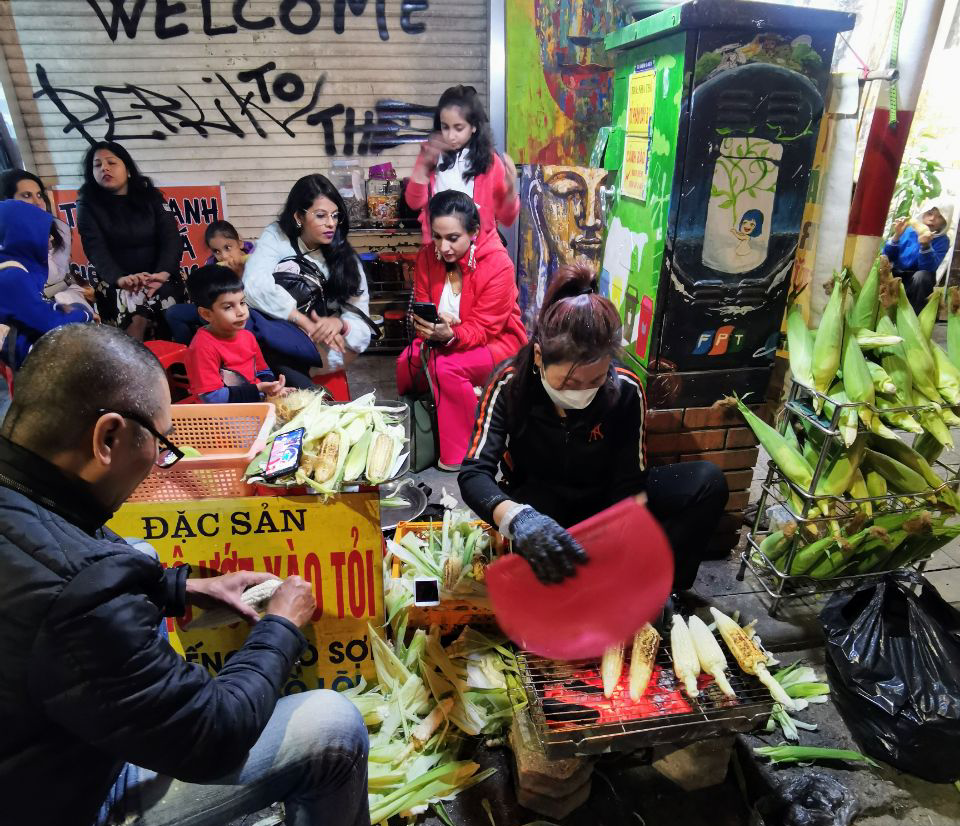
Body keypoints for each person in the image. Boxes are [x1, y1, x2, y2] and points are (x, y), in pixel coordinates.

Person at [0, 324, 423, 826]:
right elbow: (214, 736)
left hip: (31, 778)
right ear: (108, 438)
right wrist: (281, 626)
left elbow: (63, 578)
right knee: (330, 725)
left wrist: (183, 585)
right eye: (162, 443)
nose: (161, 462)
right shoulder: (79, 598)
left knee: (145, 559)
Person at [458, 261, 729, 591]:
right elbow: (474, 473)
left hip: (604, 500)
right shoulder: (510, 384)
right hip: (541, 503)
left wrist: (621, 542)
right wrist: (517, 518)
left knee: (707, 482)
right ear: (541, 357)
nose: (583, 392)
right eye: (570, 381)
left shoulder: (625, 389)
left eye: (596, 379)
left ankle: (662, 589)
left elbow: (630, 484)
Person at [397, 190, 527, 470]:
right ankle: (430, 422)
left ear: (474, 232)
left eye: (453, 238)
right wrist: (427, 325)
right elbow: (422, 305)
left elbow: (484, 328)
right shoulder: (426, 258)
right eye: (437, 236)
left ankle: (465, 452)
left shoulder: (497, 264)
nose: (443, 247)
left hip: (497, 343)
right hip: (443, 338)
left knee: (445, 368)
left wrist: (452, 334)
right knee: (405, 364)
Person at [244, 174, 373, 377]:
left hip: (325, 351)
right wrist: (302, 321)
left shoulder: (346, 259)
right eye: (321, 215)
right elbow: (254, 284)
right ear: (299, 217)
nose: (331, 223)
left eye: (335, 215)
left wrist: (340, 324)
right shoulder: (277, 236)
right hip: (279, 341)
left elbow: (362, 324)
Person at [76, 141, 184, 341]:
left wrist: (162, 273)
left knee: (172, 308)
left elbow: (171, 238)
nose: (104, 168)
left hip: (160, 274)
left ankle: (176, 365)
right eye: (97, 165)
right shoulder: (88, 203)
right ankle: (134, 368)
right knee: (134, 309)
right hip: (117, 280)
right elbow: (95, 249)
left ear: (127, 169)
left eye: (111, 162)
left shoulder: (151, 196)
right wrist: (120, 279)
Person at [405, 85, 519, 247]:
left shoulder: (490, 162)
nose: (451, 136)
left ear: (473, 126)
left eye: (458, 128)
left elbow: (507, 219)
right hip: (438, 248)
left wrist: (510, 189)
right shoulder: (431, 153)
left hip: (479, 252)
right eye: (445, 127)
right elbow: (414, 203)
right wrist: (422, 168)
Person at [0, 199, 92, 369]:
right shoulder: (12, 277)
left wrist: (57, 308)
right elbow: (49, 323)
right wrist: (84, 314)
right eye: (42, 233)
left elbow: (31, 310)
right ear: (24, 236)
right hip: (27, 361)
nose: (50, 240)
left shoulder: (11, 269)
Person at [185, 265, 286, 404]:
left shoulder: (247, 336)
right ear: (206, 314)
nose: (241, 312)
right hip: (223, 415)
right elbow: (212, 397)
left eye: (242, 302)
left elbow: (262, 370)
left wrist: (272, 388)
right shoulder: (202, 347)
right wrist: (259, 390)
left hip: (255, 400)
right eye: (228, 307)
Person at [1, 167, 91, 313]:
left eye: (39, 195)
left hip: (62, 294)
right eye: (26, 195)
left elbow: (58, 277)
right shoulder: (5, 239)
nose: (38, 202)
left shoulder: (60, 228)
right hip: (23, 303)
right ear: (7, 201)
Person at [165, 220, 255, 345]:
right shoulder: (212, 265)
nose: (223, 256)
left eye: (227, 248)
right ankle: (191, 352)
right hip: (214, 312)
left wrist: (239, 275)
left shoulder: (257, 259)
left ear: (239, 243)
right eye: (216, 251)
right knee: (173, 313)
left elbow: (255, 298)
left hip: (244, 312)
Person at [884, 201, 953, 312]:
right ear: (923, 214)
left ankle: (915, 319)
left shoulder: (942, 240)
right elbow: (887, 257)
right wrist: (896, 236)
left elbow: (928, 268)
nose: (932, 219)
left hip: (917, 280)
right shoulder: (907, 231)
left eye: (939, 216)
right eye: (930, 213)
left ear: (945, 222)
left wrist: (925, 246)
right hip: (897, 275)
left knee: (923, 276)